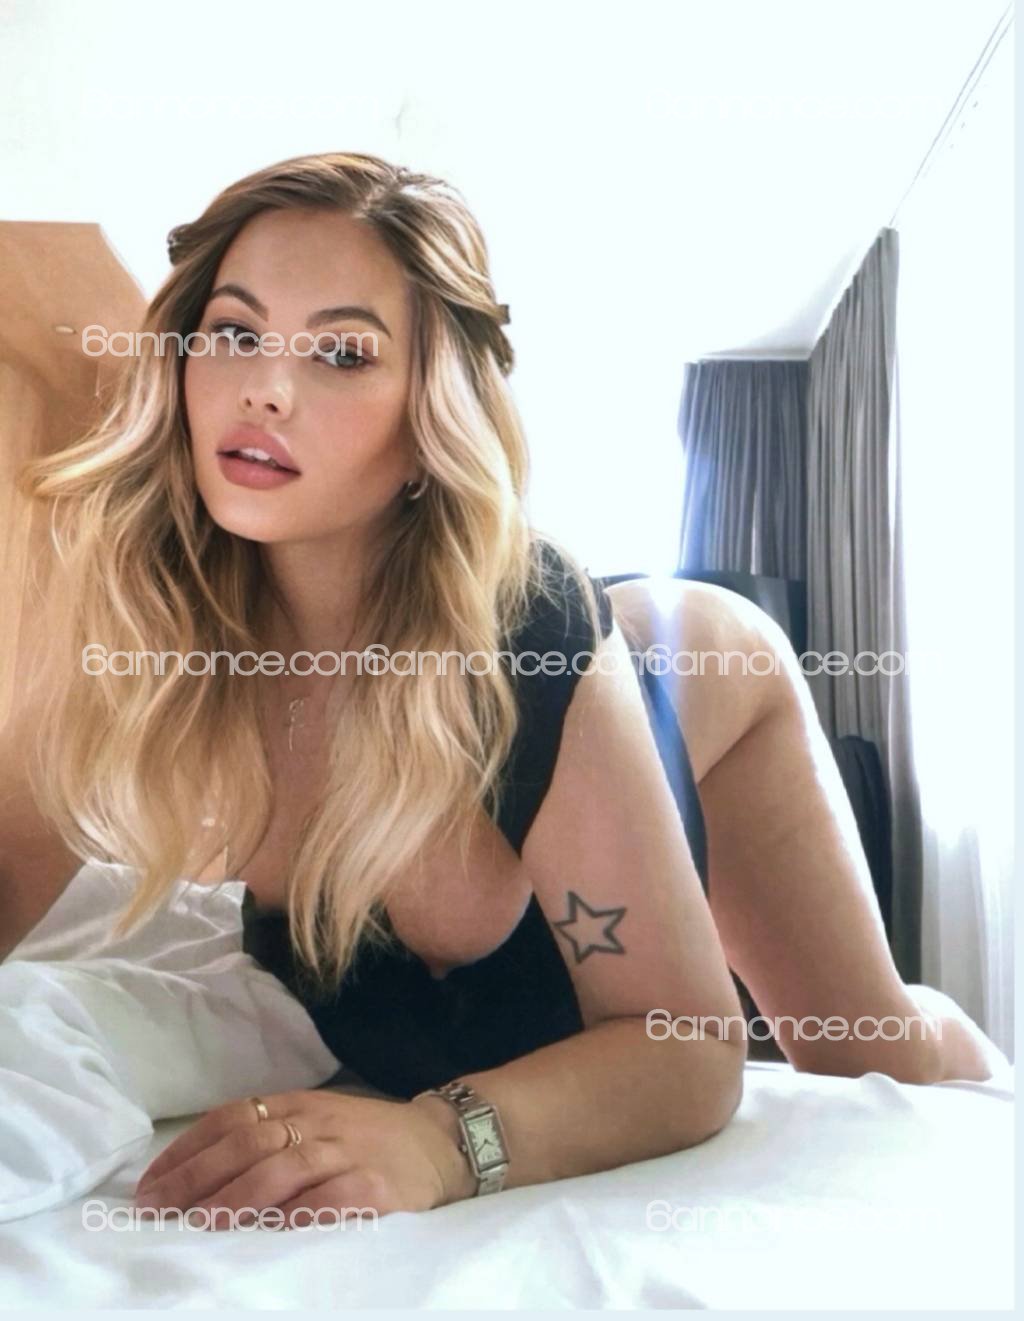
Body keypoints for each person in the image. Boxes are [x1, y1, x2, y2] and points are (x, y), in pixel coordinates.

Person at [3, 152, 1003, 1226]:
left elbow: (688, 1043)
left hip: (696, 675)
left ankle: (959, 1040)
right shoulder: (140, 620)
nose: (265, 388)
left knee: (870, 1053)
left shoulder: (529, 637)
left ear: (426, 419)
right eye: (236, 332)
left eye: (342, 352)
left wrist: (443, 1142)